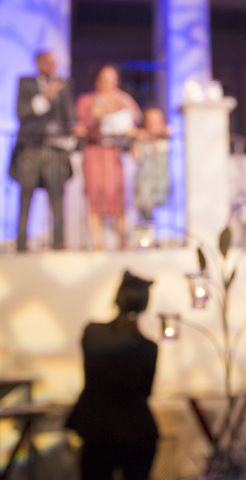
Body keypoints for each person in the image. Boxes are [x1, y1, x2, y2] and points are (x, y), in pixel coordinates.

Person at [66, 270, 158, 480]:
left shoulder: (92, 333)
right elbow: (146, 391)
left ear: (117, 298)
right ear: (145, 305)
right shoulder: (148, 347)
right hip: (138, 431)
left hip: (97, 430)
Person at [9, 50, 79, 251]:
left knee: (57, 199)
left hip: (54, 149)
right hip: (30, 148)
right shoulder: (26, 83)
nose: (52, 66)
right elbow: (22, 113)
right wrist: (47, 95)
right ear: (39, 63)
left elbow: (69, 116)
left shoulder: (63, 86)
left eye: (54, 63)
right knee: (26, 197)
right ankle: (21, 244)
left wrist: (74, 129)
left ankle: (58, 244)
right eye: (47, 62)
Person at [76, 65, 141, 250]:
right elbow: (83, 124)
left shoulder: (121, 99)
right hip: (94, 151)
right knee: (95, 196)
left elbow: (135, 117)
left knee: (117, 196)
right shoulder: (87, 100)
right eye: (104, 78)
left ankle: (122, 244)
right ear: (97, 80)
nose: (108, 83)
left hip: (113, 153)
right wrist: (97, 115)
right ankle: (97, 245)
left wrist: (121, 101)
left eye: (112, 79)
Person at [132, 108, 171, 223]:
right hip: (145, 186)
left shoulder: (168, 139)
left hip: (164, 185)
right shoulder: (141, 140)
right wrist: (139, 140)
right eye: (150, 121)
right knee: (145, 217)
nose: (154, 124)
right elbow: (135, 156)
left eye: (157, 121)